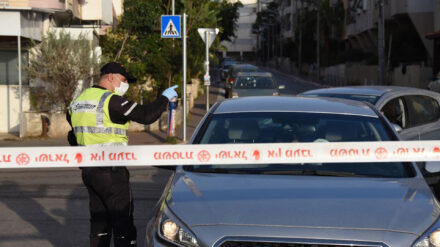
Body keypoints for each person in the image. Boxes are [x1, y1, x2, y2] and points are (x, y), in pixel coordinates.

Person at [66, 62, 178, 247]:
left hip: (89, 172)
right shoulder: (110, 100)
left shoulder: (77, 101)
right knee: (123, 226)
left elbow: (73, 136)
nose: (125, 85)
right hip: (111, 172)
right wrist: (164, 98)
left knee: (99, 225)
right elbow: (146, 115)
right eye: (124, 80)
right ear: (110, 77)